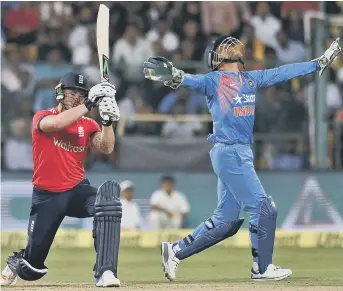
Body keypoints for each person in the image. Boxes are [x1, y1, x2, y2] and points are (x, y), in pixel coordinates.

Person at [143, 37, 341, 281]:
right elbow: (189, 80)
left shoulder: (250, 79)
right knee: (264, 208)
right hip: (229, 152)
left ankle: (174, 251)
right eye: (222, 48)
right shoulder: (213, 80)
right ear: (216, 59)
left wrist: (317, 63)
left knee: (225, 222)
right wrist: (174, 75)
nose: (229, 46)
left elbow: (283, 72)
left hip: (239, 153)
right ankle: (262, 267)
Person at [0, 72, 122, 287]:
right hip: (47, 197)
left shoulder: (88, 124)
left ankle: (106, 272)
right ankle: (19, 259)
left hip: (77, 190)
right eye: (71, 92)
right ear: (59, 92)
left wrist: (107, 122)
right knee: (31, 270)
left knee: (108, 203)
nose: (76, 97)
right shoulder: (42, 116)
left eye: (81, 94)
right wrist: (90, 102)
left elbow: (107, 147)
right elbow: (56, 124)